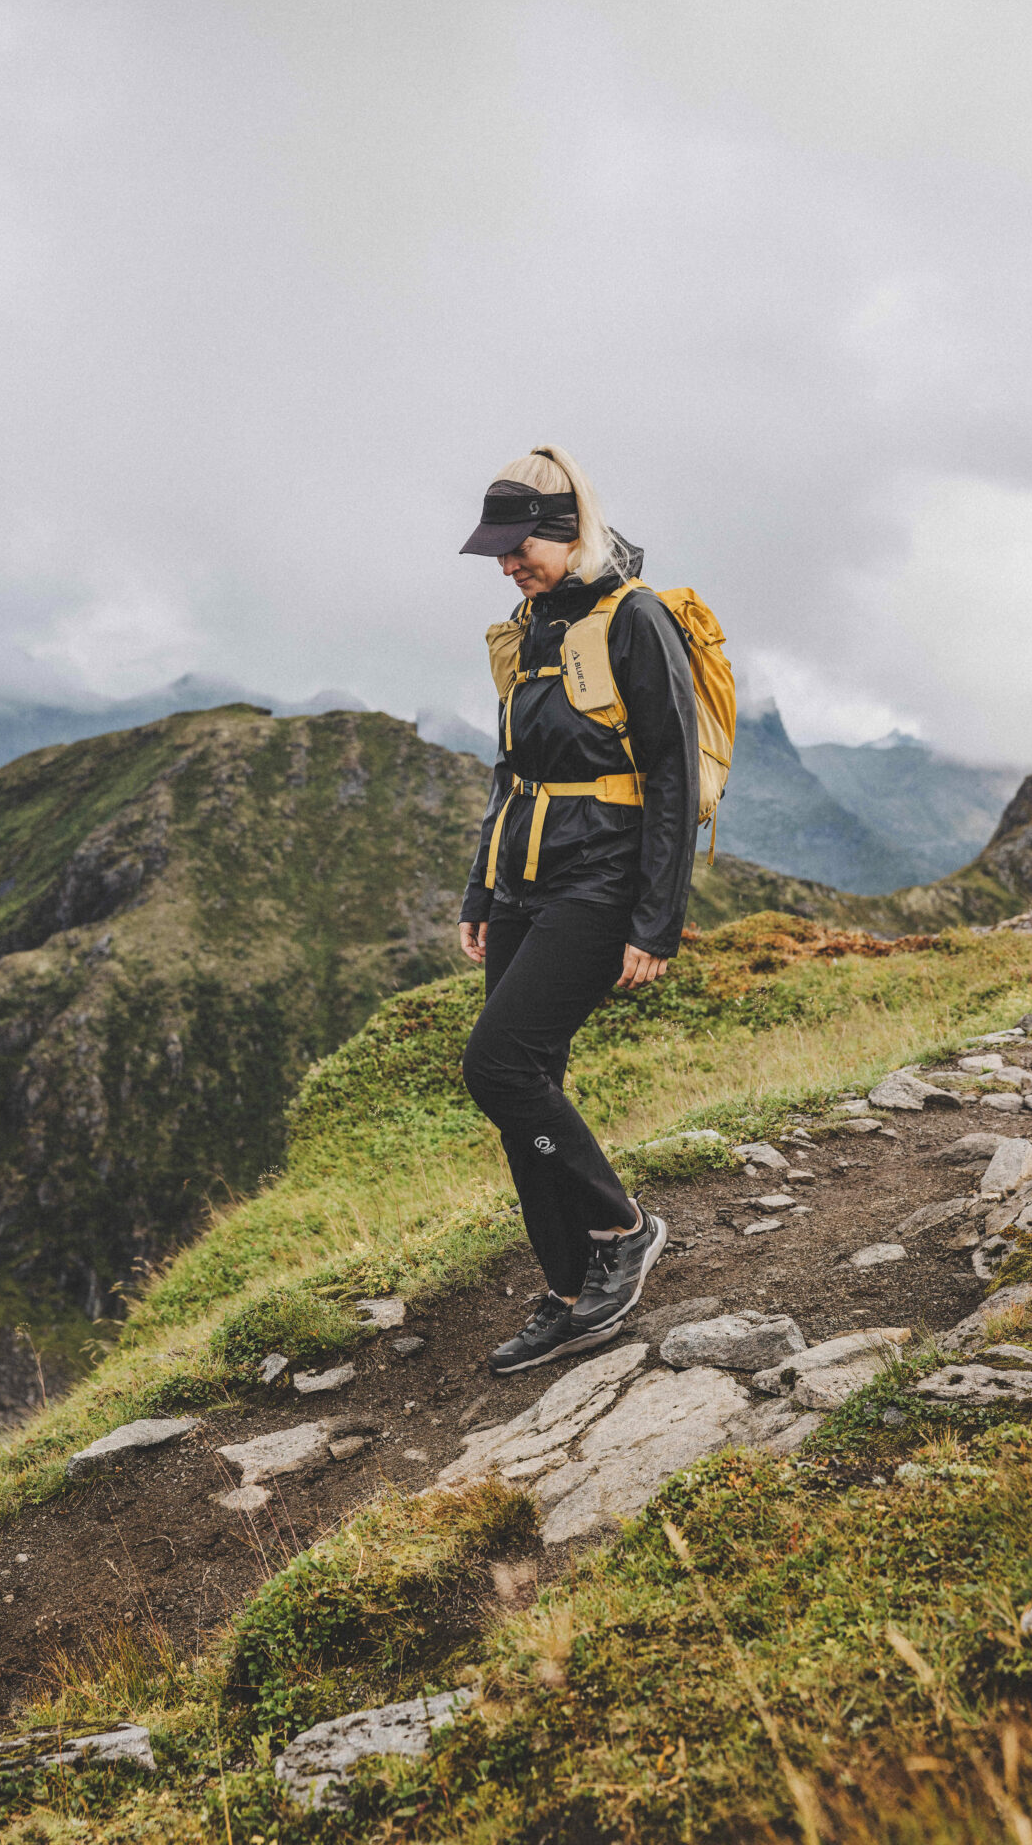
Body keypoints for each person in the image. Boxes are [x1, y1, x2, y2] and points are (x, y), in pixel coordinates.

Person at [457, 445, 699, 1375]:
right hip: (523, 879)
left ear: (566, 532)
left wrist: (656, 920)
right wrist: (483, 887)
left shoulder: (633, 618)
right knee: (528, 1085)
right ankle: (566, 1294)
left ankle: (622, 1228)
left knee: (497, 1067)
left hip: (600, 881)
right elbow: (511, 767)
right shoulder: (530, 625)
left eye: (518, 548)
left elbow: (671, 774)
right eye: (497, 551)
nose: (506, 565)